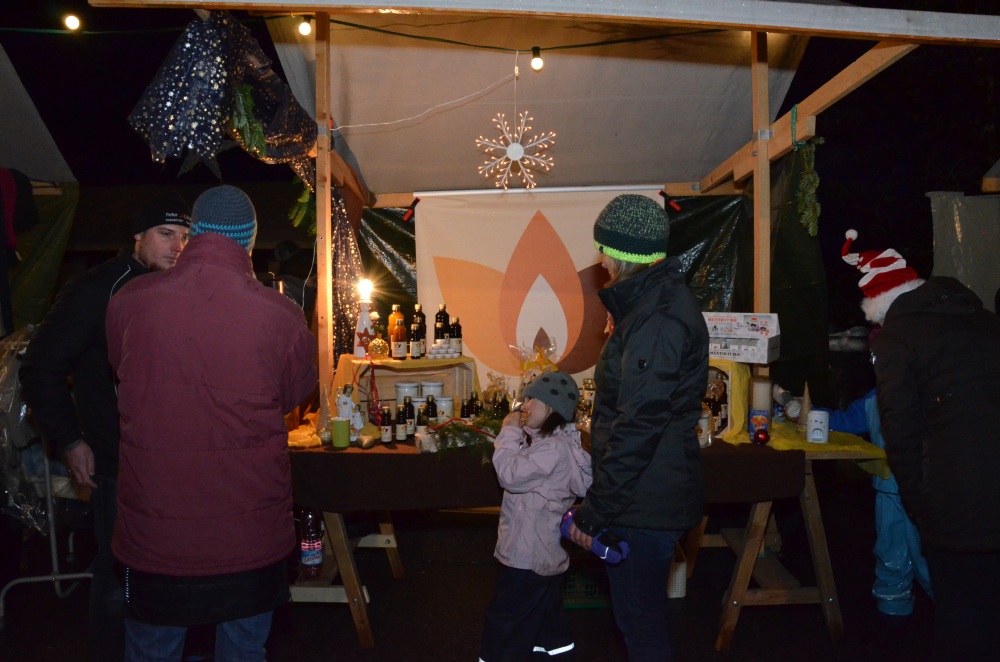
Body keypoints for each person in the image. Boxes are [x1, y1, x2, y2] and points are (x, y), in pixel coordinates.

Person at [105, 185, 317, 662]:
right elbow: (293, 395)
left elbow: (121, 369)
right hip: (248, 529)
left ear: (193, 233)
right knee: (242, 650)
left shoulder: (130, 301)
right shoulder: (281, 315)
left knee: (152, 650)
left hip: (157, 529)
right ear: (250, 241)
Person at [18, 199, 191, 661]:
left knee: (172, 572)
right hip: (117, 463)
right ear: (138, 237)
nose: (177, 246)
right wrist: (70, 439)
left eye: (184, 237)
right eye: (165, 234)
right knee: (117, 576)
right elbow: (39, 367)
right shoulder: (97, 289)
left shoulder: (180, 289)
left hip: (172, 461)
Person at [843, 229, 1000, 659]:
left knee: (960, 620)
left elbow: (902, 430)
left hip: (956, 497)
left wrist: (920, 507)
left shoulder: (898, 336)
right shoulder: (988, 323)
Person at [566, 194, 708, 661]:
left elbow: (639, 424)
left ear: (622, 254)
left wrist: (595, 512)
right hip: (645, 493)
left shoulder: (657, 318)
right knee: (640, 619)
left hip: (646, 501)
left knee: (641, 625)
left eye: (604, 249)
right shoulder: (649, 306)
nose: (601, 260)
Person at [479, 371, 592, 662]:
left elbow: (510, 474)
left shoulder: (553, 450)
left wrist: (509, 432)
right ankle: (556, 654)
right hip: (541, 552)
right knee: (545, 620)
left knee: (506, 621)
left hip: (527, 555)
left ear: (553, 408)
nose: (524, 406)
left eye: (531, 400)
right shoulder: (551, 445)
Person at [828, 384, 932, 617]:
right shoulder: (877, 396)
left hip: (924, 495)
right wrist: (802, 411)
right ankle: (892, 618)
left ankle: (959, 624)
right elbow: (843, 421)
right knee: (891, 556)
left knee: (930, 563)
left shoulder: (940, 388)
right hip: (892, 491)